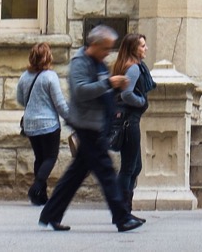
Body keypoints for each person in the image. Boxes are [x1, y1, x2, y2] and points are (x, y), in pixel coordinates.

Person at [39, 25, 141, 232]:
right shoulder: (80, 63)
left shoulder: (98, 63)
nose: (107, 53)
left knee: (75, 175)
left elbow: (102, 91)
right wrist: (110, 84)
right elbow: (80, 91)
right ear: (94, 45)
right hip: (87, 126)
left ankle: (50, 213)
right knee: (106, 172)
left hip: (96, 124)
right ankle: (122, 217)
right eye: (105, 48)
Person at [16, 42, 70, 207]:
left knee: (39, 158)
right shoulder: (50, 76)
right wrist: (70, 117)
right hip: (49, 124)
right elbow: (59, 103)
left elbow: (20, 99)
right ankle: (36, 187)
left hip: (30, 124)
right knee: (50, 157)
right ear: (48, 57)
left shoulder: (24, 77)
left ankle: (41, 196)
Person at [110, 32, 156, 217]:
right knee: (130, 168)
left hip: (126, 121)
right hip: (130, 122)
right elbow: (126, 94)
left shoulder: (126, 66)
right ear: (133, 49)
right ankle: (122, 211)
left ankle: (124, 209)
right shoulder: (134, 68)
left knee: (134, 167)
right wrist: (141, 102)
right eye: (142, 45)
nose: (146, 49)